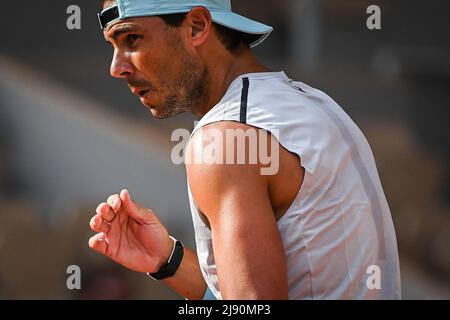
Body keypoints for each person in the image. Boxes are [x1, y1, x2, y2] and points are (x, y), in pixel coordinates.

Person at [89, 0, 401, 300]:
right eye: (112, 46)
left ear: (196, 26)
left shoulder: (225, 140)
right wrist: (168, 260)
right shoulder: (314, 102)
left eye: (132, 38)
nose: (117, 68)